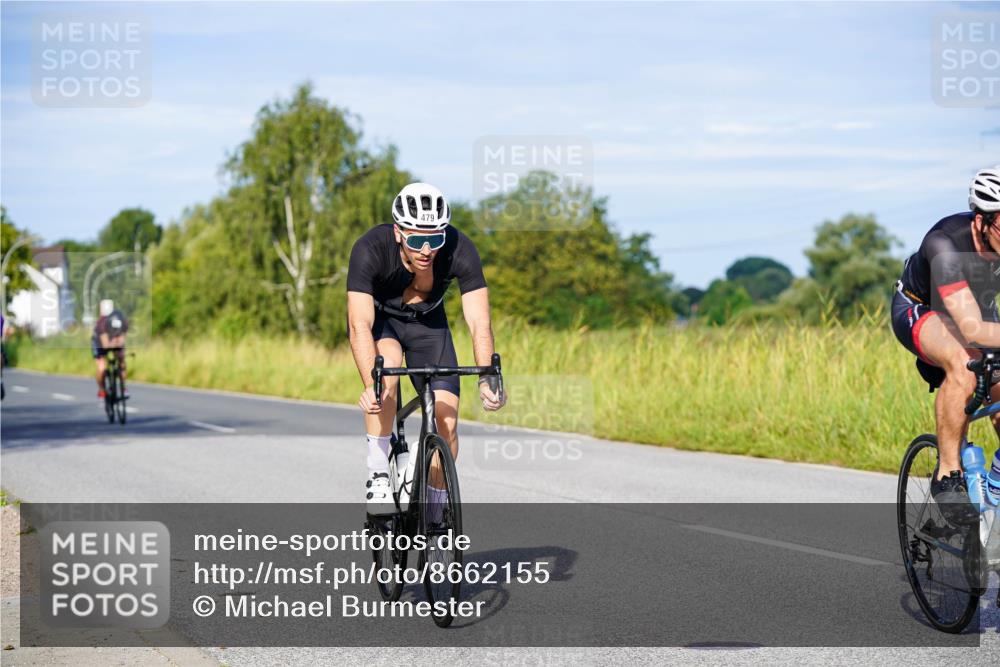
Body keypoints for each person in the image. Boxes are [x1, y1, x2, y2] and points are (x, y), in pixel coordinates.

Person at [346, 182, 506, 515]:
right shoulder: (370, 248)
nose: (426, 250)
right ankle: (377, 470)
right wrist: (369, 384)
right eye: (417, 239)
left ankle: (435, 514)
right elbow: (359, 324)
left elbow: (479, 322)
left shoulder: (460, 248)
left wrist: (488, 377)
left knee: (446, 420)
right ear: (398, 232)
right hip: (383, 323)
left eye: (435, 239)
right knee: (386, 377)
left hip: (428, 328)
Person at [891, 166, 1000, 523]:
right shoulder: (945, 244)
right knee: (965, 363)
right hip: (922, 309)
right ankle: (947, 475)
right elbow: (971, 329)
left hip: (978, 309)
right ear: (981, 221)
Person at [92, 299, 129, 400]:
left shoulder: (122, 320)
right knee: (102, 368)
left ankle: (124, 387)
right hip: (99, 343)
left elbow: (122, 338)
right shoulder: (101, 324)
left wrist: (119, 348)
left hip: (113, 340)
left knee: (122, 361)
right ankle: (102, 389)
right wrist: (114, 344)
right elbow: (105, 345)